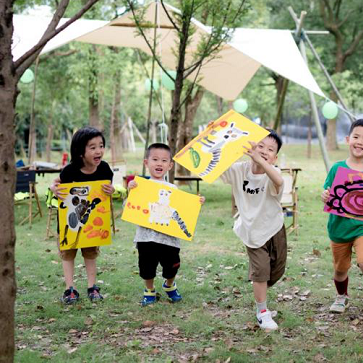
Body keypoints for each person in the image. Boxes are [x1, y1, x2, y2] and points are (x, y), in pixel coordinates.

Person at [321, 119, 363, 329]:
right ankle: (342, 296)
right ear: (348, 139)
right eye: (356, 137)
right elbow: (327, 192)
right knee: (340, 270)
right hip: (339, 228)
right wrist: (325, 195)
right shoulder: (337, 168)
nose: (360, 142)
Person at [220, 129, 286, 331]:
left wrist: (262, 162)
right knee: (261, 272)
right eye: (260, 146)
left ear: (275, 158)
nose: (264, 151)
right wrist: (216, 136)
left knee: (277, 270)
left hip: (274, 227)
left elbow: (279, 182)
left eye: (270, 149)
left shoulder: (274, 173)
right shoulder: (239, 170)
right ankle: (262, 311)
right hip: (251, 231)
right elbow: (215, 166)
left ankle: (262, 291)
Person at [127, 143, 205, 306]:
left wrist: (196, 203)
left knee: (172, 265)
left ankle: (169, 285)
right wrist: (130, 192)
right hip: (146, 237)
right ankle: (149, 290)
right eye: (155, 159)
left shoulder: (173, 189)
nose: (159, 163)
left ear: (170, 165)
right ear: (146, 162)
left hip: (169, 239)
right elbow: (129, 207)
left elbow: (182, 209)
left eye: (164, 160)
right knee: (146, 266)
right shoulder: (139, 186)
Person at [51, 127, 114, 304]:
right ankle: (70, 289)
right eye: (92, 147)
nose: (98, 151)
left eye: (101, 146)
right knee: (68, 254)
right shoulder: (70, 171)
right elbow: (57, 184)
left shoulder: (105, 169)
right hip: (69, 224)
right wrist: (53, 188)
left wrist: (111, 190)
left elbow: (107, 190)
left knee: (91, 253)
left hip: (92, 223)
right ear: (80, 152)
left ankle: (92, 287)